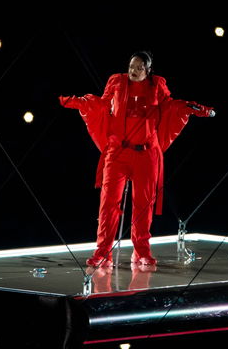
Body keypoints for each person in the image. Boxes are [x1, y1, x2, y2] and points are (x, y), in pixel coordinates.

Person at [59, 51, 213, 267]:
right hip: (118, 152)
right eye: (132, 66)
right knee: (108, 204)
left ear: (148, 70)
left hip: (146, 154)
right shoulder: (117, 81)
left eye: (140, 67)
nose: (134, 70)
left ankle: (141, 251)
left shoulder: (157, 85)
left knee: (143, 205)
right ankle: (103, 252)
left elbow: (169, 105)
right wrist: (81, 102)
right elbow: (103, 104)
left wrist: (190, 108)